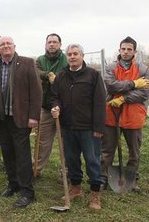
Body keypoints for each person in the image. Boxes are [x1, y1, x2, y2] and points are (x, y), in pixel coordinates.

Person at [0, 36, 42, 208]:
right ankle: (13, 184)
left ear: (14, 46)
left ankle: (27, 191)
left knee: (22, 155)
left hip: (21, 118)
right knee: (8, 153)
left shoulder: (27, 63)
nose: (5, 47)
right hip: (1, 119)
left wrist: (34, 116)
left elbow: (37, 91)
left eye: (8, 44)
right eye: (1, 45)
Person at [50, 43, 106, 210]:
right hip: (67, 127)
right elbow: (54, 96)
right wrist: (55, 106)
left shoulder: (93, 75)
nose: (72, 57)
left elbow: (100, 103)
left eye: (75, 54)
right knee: (72, 159)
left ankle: (95, 194)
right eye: (69, 54)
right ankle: (76, 189)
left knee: (92, 160)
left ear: (82, 56)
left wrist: (98, 128)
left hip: (88, 128)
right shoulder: (61, 76)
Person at [101, 36, 149, 192]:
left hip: (134, 115)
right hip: (111, 113)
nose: (126, 52)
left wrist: (123, 98)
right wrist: (134, 84)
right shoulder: (110, 67)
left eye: (129, 49)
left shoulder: (143, 69)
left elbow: (144, 93)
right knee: (107, 149)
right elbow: (112, 86)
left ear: (135, 51)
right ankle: (102, 177)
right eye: (123, 49)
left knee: (134, 151)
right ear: (119, 50)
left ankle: (132, 179)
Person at [34, 33, 68, 177]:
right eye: (49, 42)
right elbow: (35, 72)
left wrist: (57, 78)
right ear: (46, 45)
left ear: (60, 44)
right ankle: (36, 169)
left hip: (64, 107)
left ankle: (66, 171)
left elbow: (67, 74)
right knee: (42, 142)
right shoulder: (40, 60)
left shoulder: (66, 59)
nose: (52, 45)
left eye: (55, 42)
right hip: (46, 106)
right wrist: (48, 75)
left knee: (66, 143)